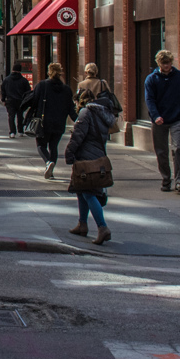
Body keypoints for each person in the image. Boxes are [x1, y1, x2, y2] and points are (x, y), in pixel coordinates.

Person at [64, 87, 118, 245]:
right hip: (98, 156)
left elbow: (78, 136)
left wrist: (69, 152)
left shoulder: (85, 113)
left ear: (79, 101)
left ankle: (103, 227)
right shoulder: (102, 113)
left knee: (88, 192)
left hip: (86, 158)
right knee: (81, 190)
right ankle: (82, 224)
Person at [143, 50, 180, 194]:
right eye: (164, 63)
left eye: (168, 63)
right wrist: (156, 116)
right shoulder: (151, 79)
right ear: (159, 64)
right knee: (161, 151)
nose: (167, 66)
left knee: (178, 148)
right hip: (159, 121)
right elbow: (149, 100)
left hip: (177, 119)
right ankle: (166, 179)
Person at [24, 62, 77, 179]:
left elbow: (34, 102)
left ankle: (48, 162)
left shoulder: (42, 86)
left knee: (41, 145)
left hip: (44, 123)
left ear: (49, 72)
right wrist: (78, 121)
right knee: (54, 147)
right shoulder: (67, 90)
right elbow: (71, 109)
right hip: (59, 124)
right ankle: (51, 170)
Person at [0, 65, 31, 138]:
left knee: (11, 116)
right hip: (21, 101)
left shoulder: (6, 80)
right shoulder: (24, 80)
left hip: (10, 101)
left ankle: (12, 132)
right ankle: (20, 131)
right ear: (20, 70)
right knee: (20, 116)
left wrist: (3, 99)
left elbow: (3, 90)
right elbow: (28, 92)